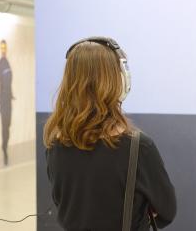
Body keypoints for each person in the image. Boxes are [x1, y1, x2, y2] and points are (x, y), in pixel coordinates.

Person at [44, 37, 176, 231]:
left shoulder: (54, 144)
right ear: (116, 79)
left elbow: (62, 201)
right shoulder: (139, 147)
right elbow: (166, 211)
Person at [0, 40, 13, 165]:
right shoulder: (0, 62)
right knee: (4, 125)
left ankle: (5, 145)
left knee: (8, 124)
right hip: (3, 99)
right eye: (1, 47)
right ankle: (4, 148)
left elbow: (9, 81)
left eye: (4, 47)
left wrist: (12, 94)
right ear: (0, 49)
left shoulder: (7, 62)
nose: (3, 49)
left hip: (9, 98)